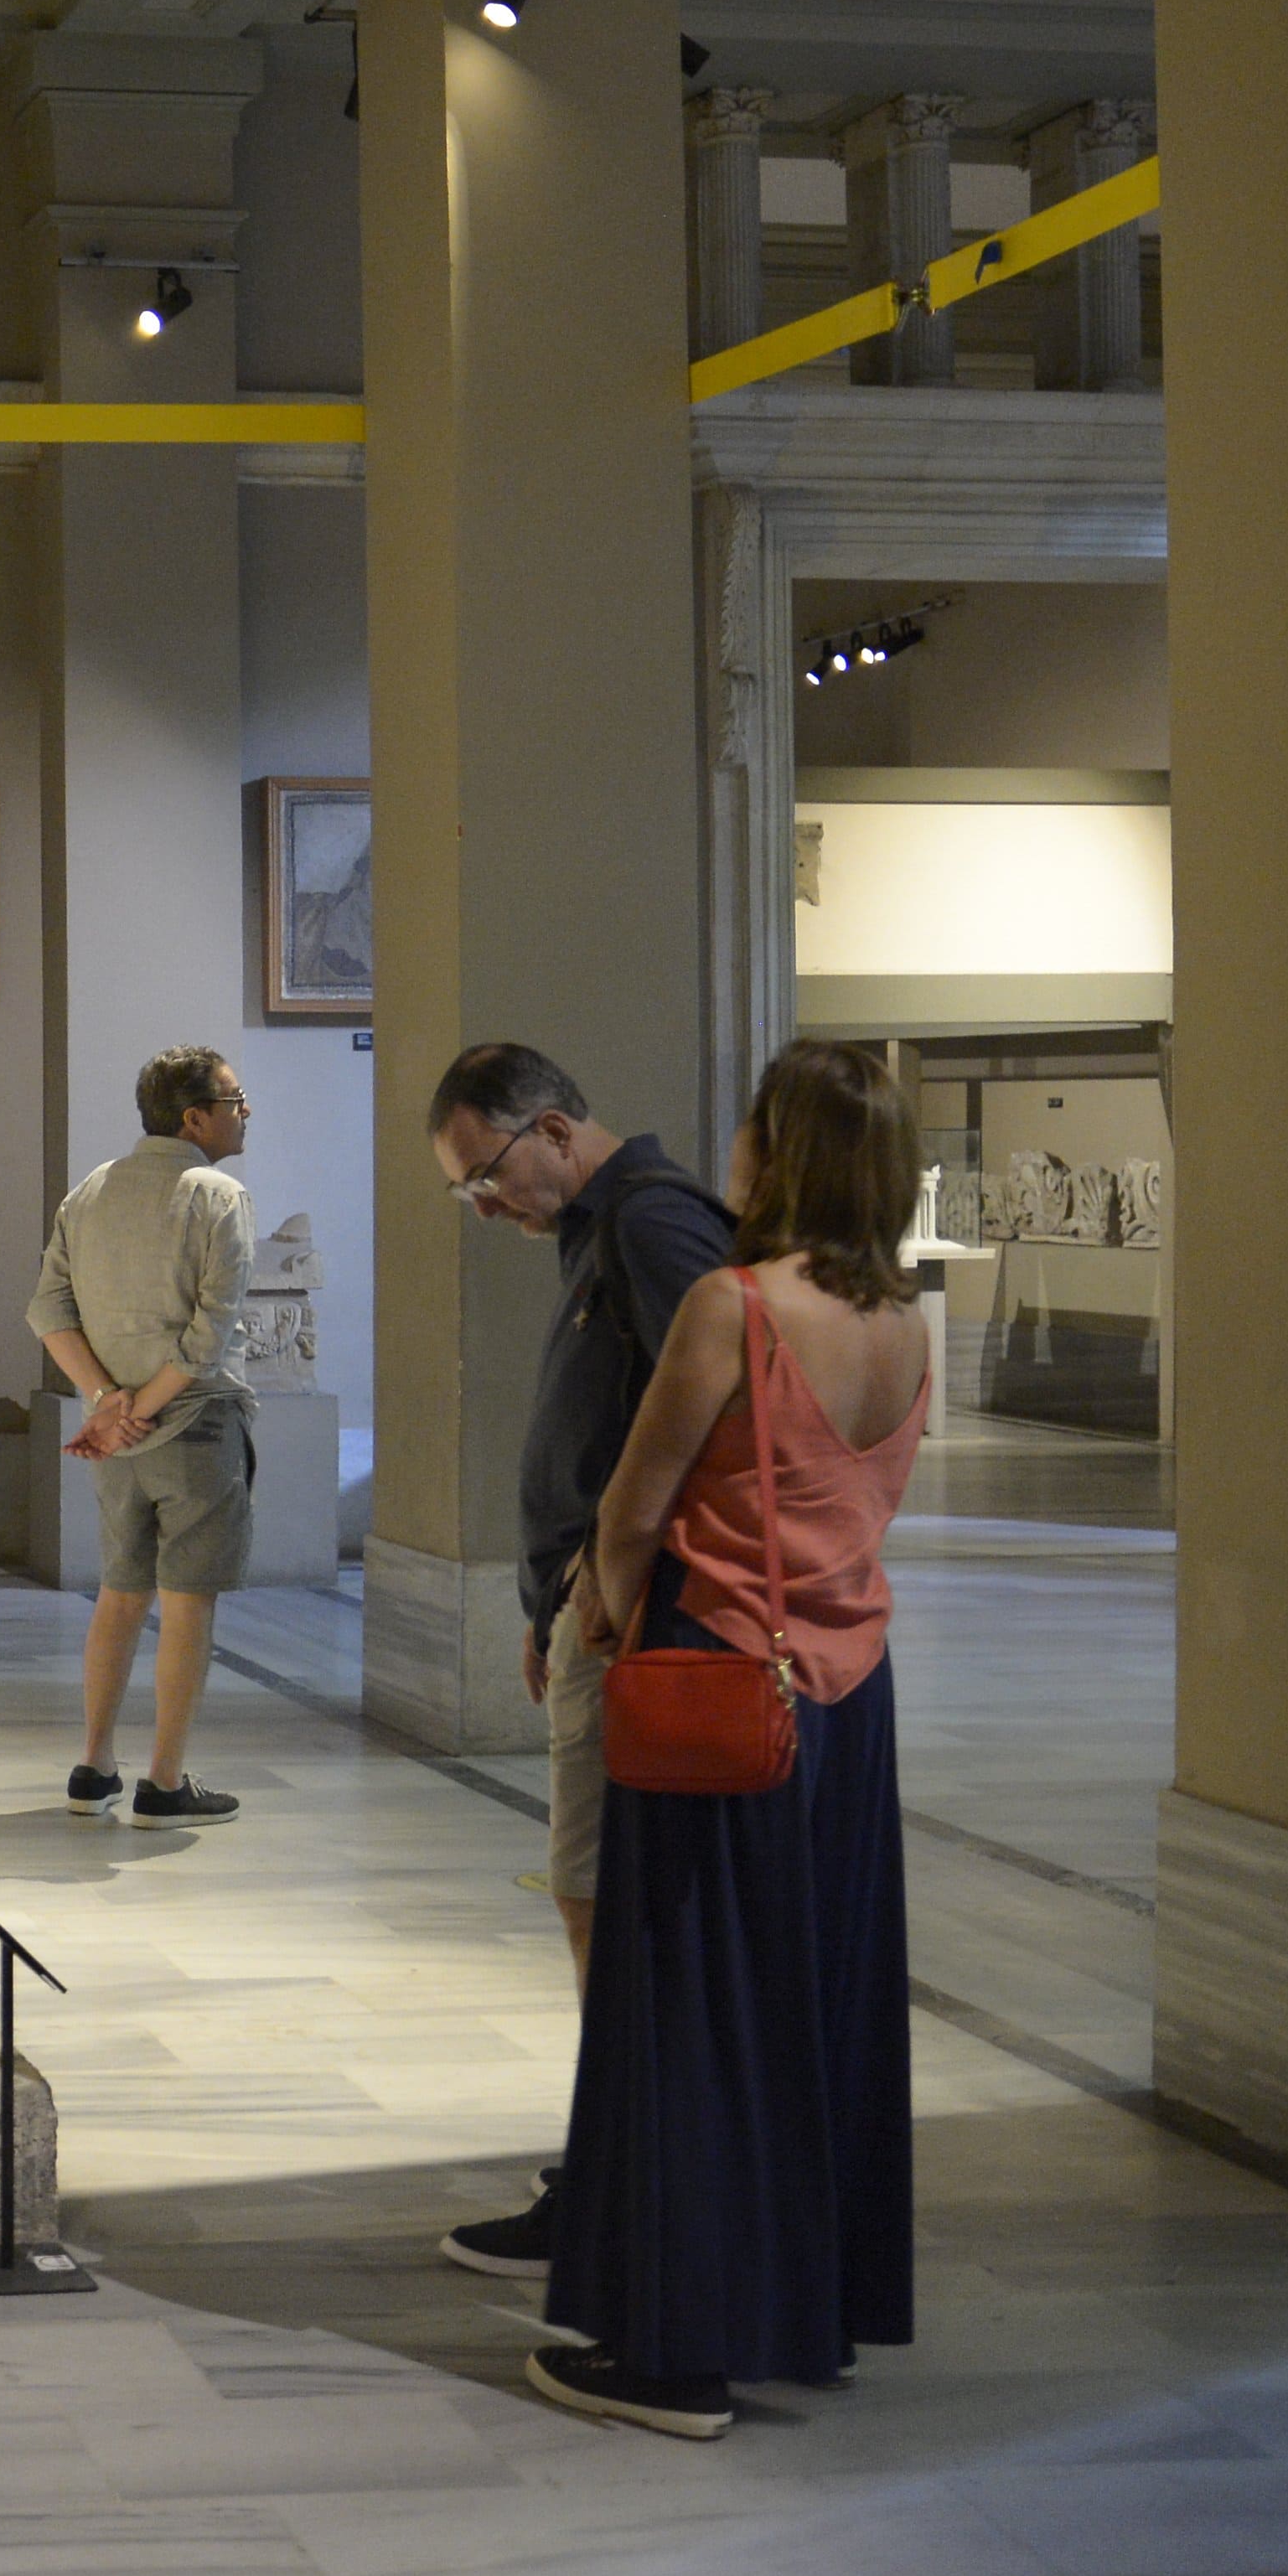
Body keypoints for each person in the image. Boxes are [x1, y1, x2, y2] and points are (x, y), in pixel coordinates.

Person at [530, 1039, 930, 2439]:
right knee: (815, 2004)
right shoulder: (905, 1324)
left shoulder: (734, 1304)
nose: (737, 1147)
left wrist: (597, 1615)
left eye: (756, 1125)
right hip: (848, 1697)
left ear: (785, 1150)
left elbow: (635, 1506)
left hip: (721, 1676)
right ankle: (806, 2308)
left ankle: (676, 2351)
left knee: (689, 2009)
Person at [424, 1042, 736, 2284]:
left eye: (483, 1174)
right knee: (586, 1893)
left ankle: (624, 2172)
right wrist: (555, 1584)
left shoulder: (653, 1225)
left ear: (553, 1129)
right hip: (590, 1602)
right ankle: (618, 2151)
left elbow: (715, 1423)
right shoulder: (599, 1230)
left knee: (599, 1894)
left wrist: (610, 1574)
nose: (481, 1205)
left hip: (632, 1618)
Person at [26, 1047, 258, 1824]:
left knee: (120, 1596)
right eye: (234, 1100)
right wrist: (140, 1408)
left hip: (116, 1442)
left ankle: (93, 1768)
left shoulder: (92, 1189)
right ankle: (163, 1783)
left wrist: (107, 1405)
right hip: (194, 1426)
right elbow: (207, 1339)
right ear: (194, 1118)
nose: (245, 1112)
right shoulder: (219, 1195)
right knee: (188, 1603)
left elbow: (48, 1311)